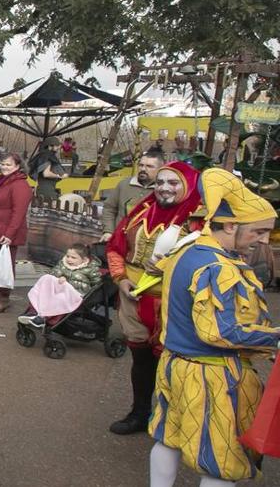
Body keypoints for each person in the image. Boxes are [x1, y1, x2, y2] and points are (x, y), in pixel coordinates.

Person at [148, 168, 278, 487]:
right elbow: (217, 332)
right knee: (221, 459)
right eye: (258, 232)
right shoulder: (216, 267)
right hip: (211, 376)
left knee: (169, 437)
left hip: (174, 365)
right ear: (230, 225)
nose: (263, 241)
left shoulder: (186, 251)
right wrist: (274, 338)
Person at [104, 161, 203, 436]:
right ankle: (139, 413)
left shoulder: (200, 219)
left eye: (173, 183)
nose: (164, 188)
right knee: (141, 360)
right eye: (160, 182)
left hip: (174, 304)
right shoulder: (141, 210)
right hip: (133, 299)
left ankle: (170, 419)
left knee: (172, 364)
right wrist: (120, 279)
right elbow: (115, 246)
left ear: (189, 184)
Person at [0, 153, 33, 313]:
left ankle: (4, 298)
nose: (4, 167)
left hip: (8, 232)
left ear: (18, 166)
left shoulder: (20, 185)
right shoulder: (0, 181)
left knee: (7, 265)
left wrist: (9, 234)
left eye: (8, 164)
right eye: (3, 163)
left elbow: (19, 212)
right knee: (1, 263)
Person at [18, 243, 102, 328]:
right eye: (68, 256)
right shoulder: (63, 264)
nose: (69, 259)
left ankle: (43, 317)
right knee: (46, 279)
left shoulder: (90, 269)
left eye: (73, 258)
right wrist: (59, 277)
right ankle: (33, 312)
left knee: (59, 298)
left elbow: (96, 284)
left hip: (75, 294)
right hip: (60, 288)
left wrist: (69, 283)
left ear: (84, 260)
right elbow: (53, 273)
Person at [99, 149, 163, 242]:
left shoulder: (163, 190)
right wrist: (108, 231)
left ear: (160, 169)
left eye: (149, 166)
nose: (143, 169)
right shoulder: (124, 185)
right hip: (120, 239)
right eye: (141, 165)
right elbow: (109, 208)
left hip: (147, 241)